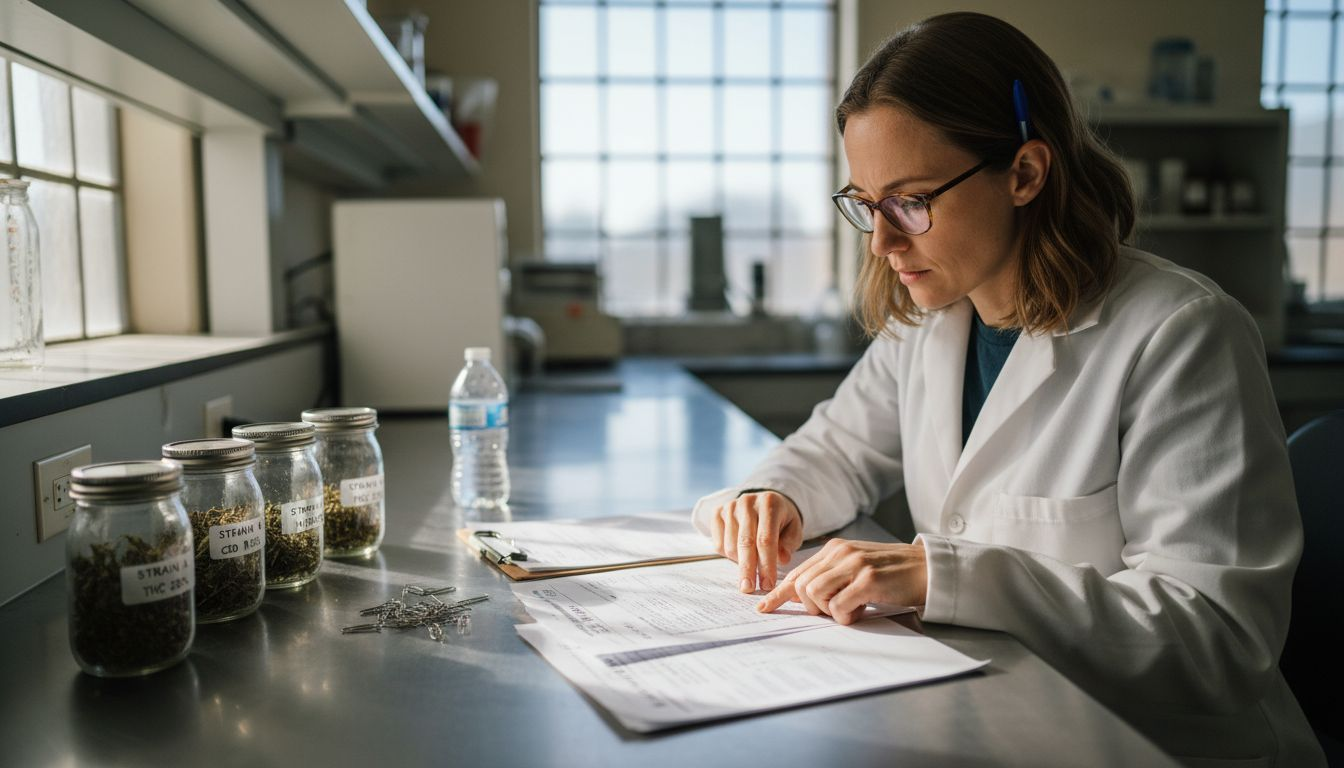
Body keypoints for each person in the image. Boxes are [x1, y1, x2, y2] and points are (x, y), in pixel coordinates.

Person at [690, 12, 1323, 767]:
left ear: (1024, 173)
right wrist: (777, 499)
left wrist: (945, 576)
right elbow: (835, 450)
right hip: (996, 719)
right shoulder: (933, 321)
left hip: (1160, 747)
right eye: (866, 203)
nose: (884, 243)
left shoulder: (1182, 333)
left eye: (910, 202)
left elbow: (1216, 638)